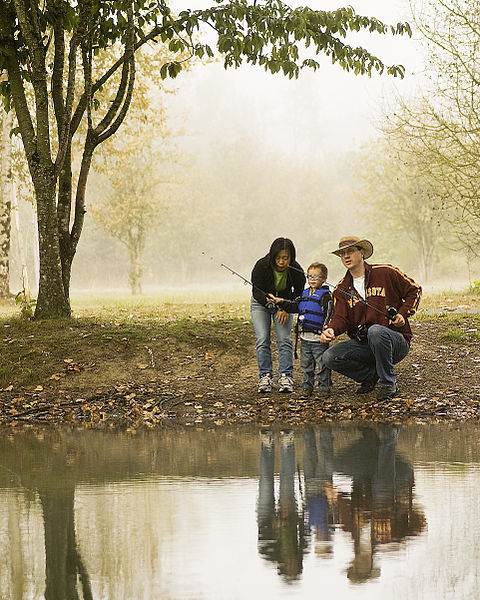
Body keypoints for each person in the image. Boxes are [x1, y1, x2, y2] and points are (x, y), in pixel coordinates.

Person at [319, 236, 422, 401]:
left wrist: (403, 314)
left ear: (361, 253)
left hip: (396, 342)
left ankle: (388, 383)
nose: (346, 256)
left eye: (350, 251)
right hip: (365, 346)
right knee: (329, 357)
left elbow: (414, 290)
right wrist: (331, 329)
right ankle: (370, 376)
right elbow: (340, 317)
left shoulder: (386, 272)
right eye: (342, 253)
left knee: (376, 331)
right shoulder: (341, 289)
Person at [269, 262, 333, 399]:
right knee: (306, 365)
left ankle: (324, 387)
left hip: (319, 339)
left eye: (316, 277)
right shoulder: (304, 294)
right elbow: (293, 306)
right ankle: (307, 386)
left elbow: (329, 315)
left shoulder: (326, 296)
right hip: (305, 338)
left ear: (324, 278)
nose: (312, 279)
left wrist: (326, 330)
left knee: (322, 365)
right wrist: (281, 301)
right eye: (310, 276)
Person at [251, 238, 305, 393]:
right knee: (262, 339)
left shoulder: (296, 270)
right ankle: (265, 376)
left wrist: (285, 307)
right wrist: (269, 302)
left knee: (284, 339)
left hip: (285, 305)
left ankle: (285, 376)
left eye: (285, 258)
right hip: (260, 304)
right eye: (278, 258)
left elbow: (299, 293)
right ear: (272, 256)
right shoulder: (261, 265)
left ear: (291, 257)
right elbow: (257, 291)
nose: (281, 262)